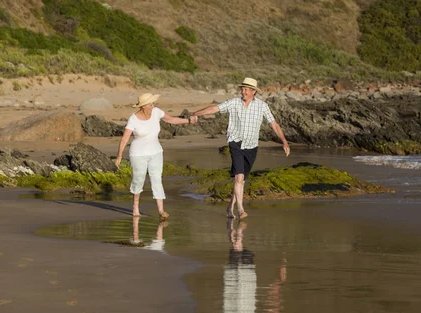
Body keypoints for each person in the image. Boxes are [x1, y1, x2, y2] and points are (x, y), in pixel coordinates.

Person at [192, 77, 290, 219]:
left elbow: (274, 124)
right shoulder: (234, 103)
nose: (243, 91)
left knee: (241, 180)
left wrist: (284, 142)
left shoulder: (262, 106)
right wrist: (196, 113)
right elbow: (215, 108)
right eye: (242, 89)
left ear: (253, 92)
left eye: (246, 89)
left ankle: (230, 208)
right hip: (235, 142)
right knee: (239, 178)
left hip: (251, 147)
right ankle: (240, 210)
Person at [115, 93, 197, 219]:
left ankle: (161, 211)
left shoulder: (157, 112)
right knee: (138, 180)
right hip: (138, 154)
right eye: (150, 104)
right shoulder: (133, 119)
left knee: (157, 180)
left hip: (156, 152)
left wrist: (188, 121)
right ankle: (135, 208)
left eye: (152, 103)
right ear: (142, 106)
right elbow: (125, 139)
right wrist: (119, 156)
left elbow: (170, 119)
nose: (152, 105)